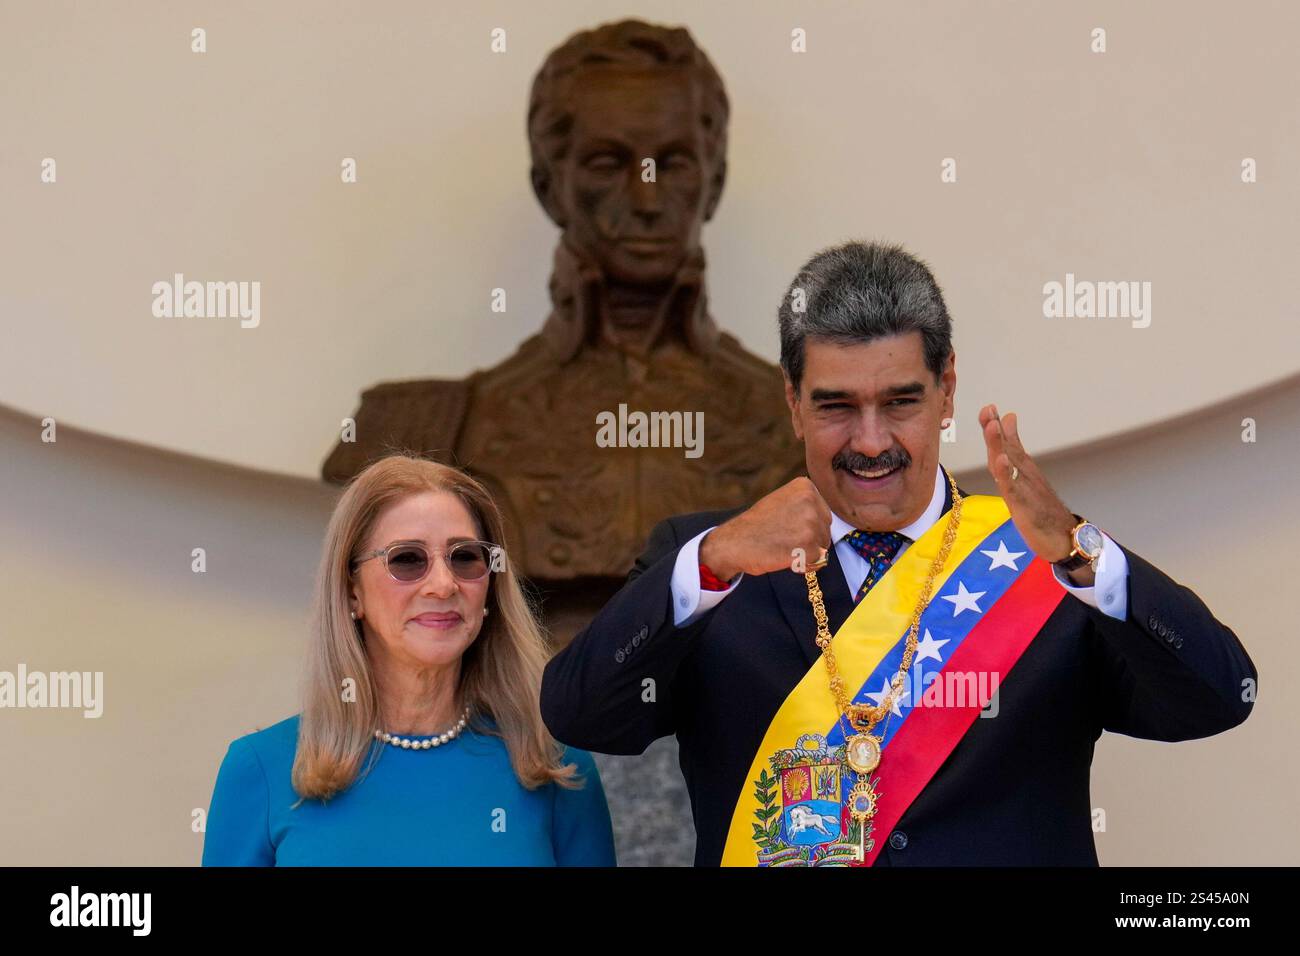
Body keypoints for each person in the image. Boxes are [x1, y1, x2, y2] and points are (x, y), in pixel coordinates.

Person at [540, 240, 1257, 866]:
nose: (873, 441)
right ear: (792, 402)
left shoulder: (1046, 562)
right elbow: (581, 715)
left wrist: (1080, 553)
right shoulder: (715, 565)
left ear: (947, 391)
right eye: (836, 406)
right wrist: (713, 561)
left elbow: (1221, 698)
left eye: (902, 402)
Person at [203, 455, 615, 865]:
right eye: (407, 559)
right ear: (352, 592)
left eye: (465, 557)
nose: (442, 584)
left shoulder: (557, 768)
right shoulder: (260, 770)